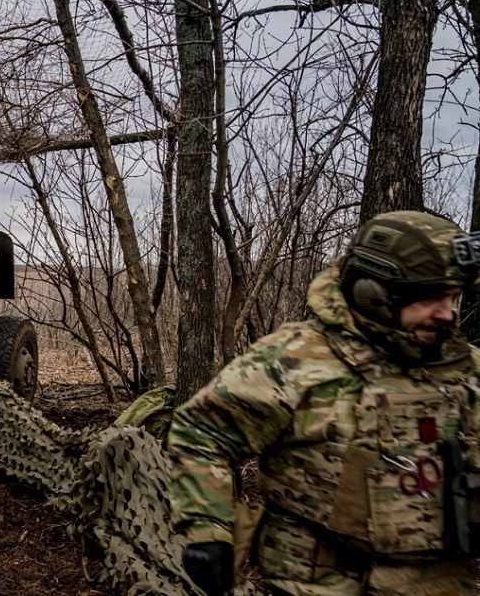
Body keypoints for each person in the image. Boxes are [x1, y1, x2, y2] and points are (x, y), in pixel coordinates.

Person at [169, 210, 480, 596]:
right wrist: (207, 528)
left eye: (453, 296)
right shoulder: (294, 359)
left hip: (440, 583)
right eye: (432, 297)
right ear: (374, 293)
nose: (448, 313)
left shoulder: (463, 370)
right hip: (319, 582)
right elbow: (202, 432)